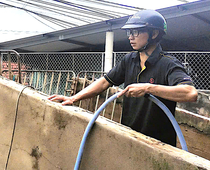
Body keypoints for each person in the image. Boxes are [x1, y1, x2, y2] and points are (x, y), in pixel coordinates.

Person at [49, 10, 198, 146]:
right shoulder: (130, 60)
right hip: (129, 137)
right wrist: (74, 98)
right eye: (129, 33)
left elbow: (190, 93)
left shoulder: (168, 64)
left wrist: (148, 88)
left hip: (159, 145)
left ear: (153, 34)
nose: (130, 37)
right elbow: (104, 82)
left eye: (136, 32)